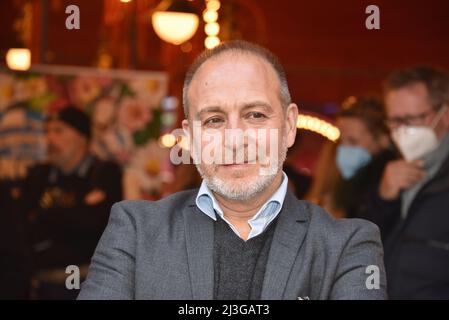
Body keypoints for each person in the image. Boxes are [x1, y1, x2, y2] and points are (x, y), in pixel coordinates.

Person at [78, 40, 386, 300]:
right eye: (214, 120)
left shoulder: (348, 245)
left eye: (254, 114)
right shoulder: (135, 230)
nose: (235, 139)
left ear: (289, 126)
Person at [22, 107, 123, 299]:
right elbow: (25, 226)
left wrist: (46, 216)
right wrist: (76, 212)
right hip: (40, 282)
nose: (49, 139)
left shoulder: (103, 174)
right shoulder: (38, 175)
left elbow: (97, 224)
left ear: (81, 138)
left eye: (58, 131)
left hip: (85, 283)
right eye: (47, 131)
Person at [367, 66, 449, 299]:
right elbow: (368, 243)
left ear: (445, 115)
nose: (402, 131)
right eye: (394, 121)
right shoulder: (392, 169)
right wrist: (383, 198)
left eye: (411, 119)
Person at [333, 97, 397, 240]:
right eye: (341, 141)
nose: (344, 149)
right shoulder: (351, 182)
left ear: (383, 139)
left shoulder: (388, 180)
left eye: (353, 141)